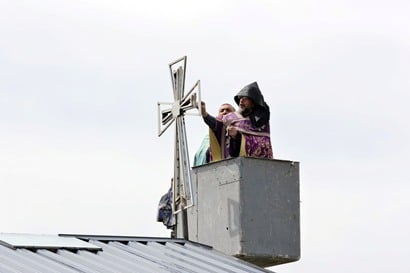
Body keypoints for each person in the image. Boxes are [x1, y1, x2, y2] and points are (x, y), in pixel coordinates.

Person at [201, 82, 273, 159]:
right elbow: (217, 125)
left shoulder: (262, 120)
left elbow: (264, 142)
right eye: (240, 98)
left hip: (262, 165)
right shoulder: (231, 117)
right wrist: (204, 113)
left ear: (253, 102)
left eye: (245, 98)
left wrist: (239, 136)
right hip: (236, 165)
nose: (241, 101)